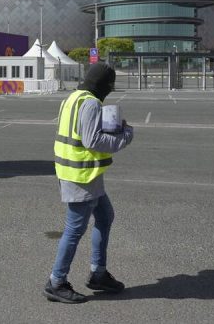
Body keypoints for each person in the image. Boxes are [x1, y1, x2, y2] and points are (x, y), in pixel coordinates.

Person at [43, 63, 134, 304]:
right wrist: (124, 136)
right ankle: (56, 281)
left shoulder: (73, 97)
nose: (109, 92)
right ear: (103, 85)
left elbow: (82, 133)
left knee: (105, 217)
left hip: (81, 174)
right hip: (80, 176)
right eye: (109, 87)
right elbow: (92, 139)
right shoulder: (91, 102)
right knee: (74, 230)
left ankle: (98, 274)